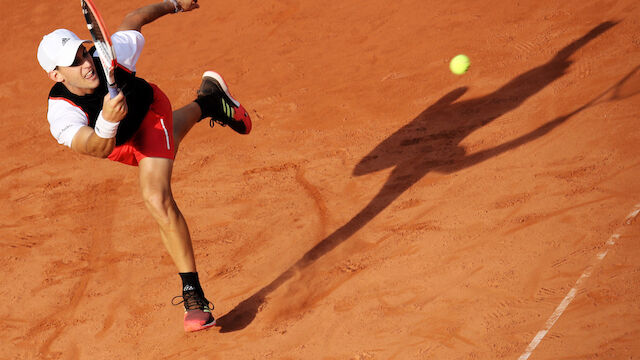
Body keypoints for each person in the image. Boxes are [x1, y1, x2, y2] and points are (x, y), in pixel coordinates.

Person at [36, 0, 251, 332]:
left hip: (150, 114)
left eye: (83, 52)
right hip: (117, 143)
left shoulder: (110, 56)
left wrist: (174, 4)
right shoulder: (61, 113)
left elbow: (134, 18)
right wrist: (107, 121)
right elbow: (95, 147)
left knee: (156, 196)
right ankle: (209, 100)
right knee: (162, 150)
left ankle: (194, 296)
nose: (85, 64)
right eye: (73, 63)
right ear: (55, 75)